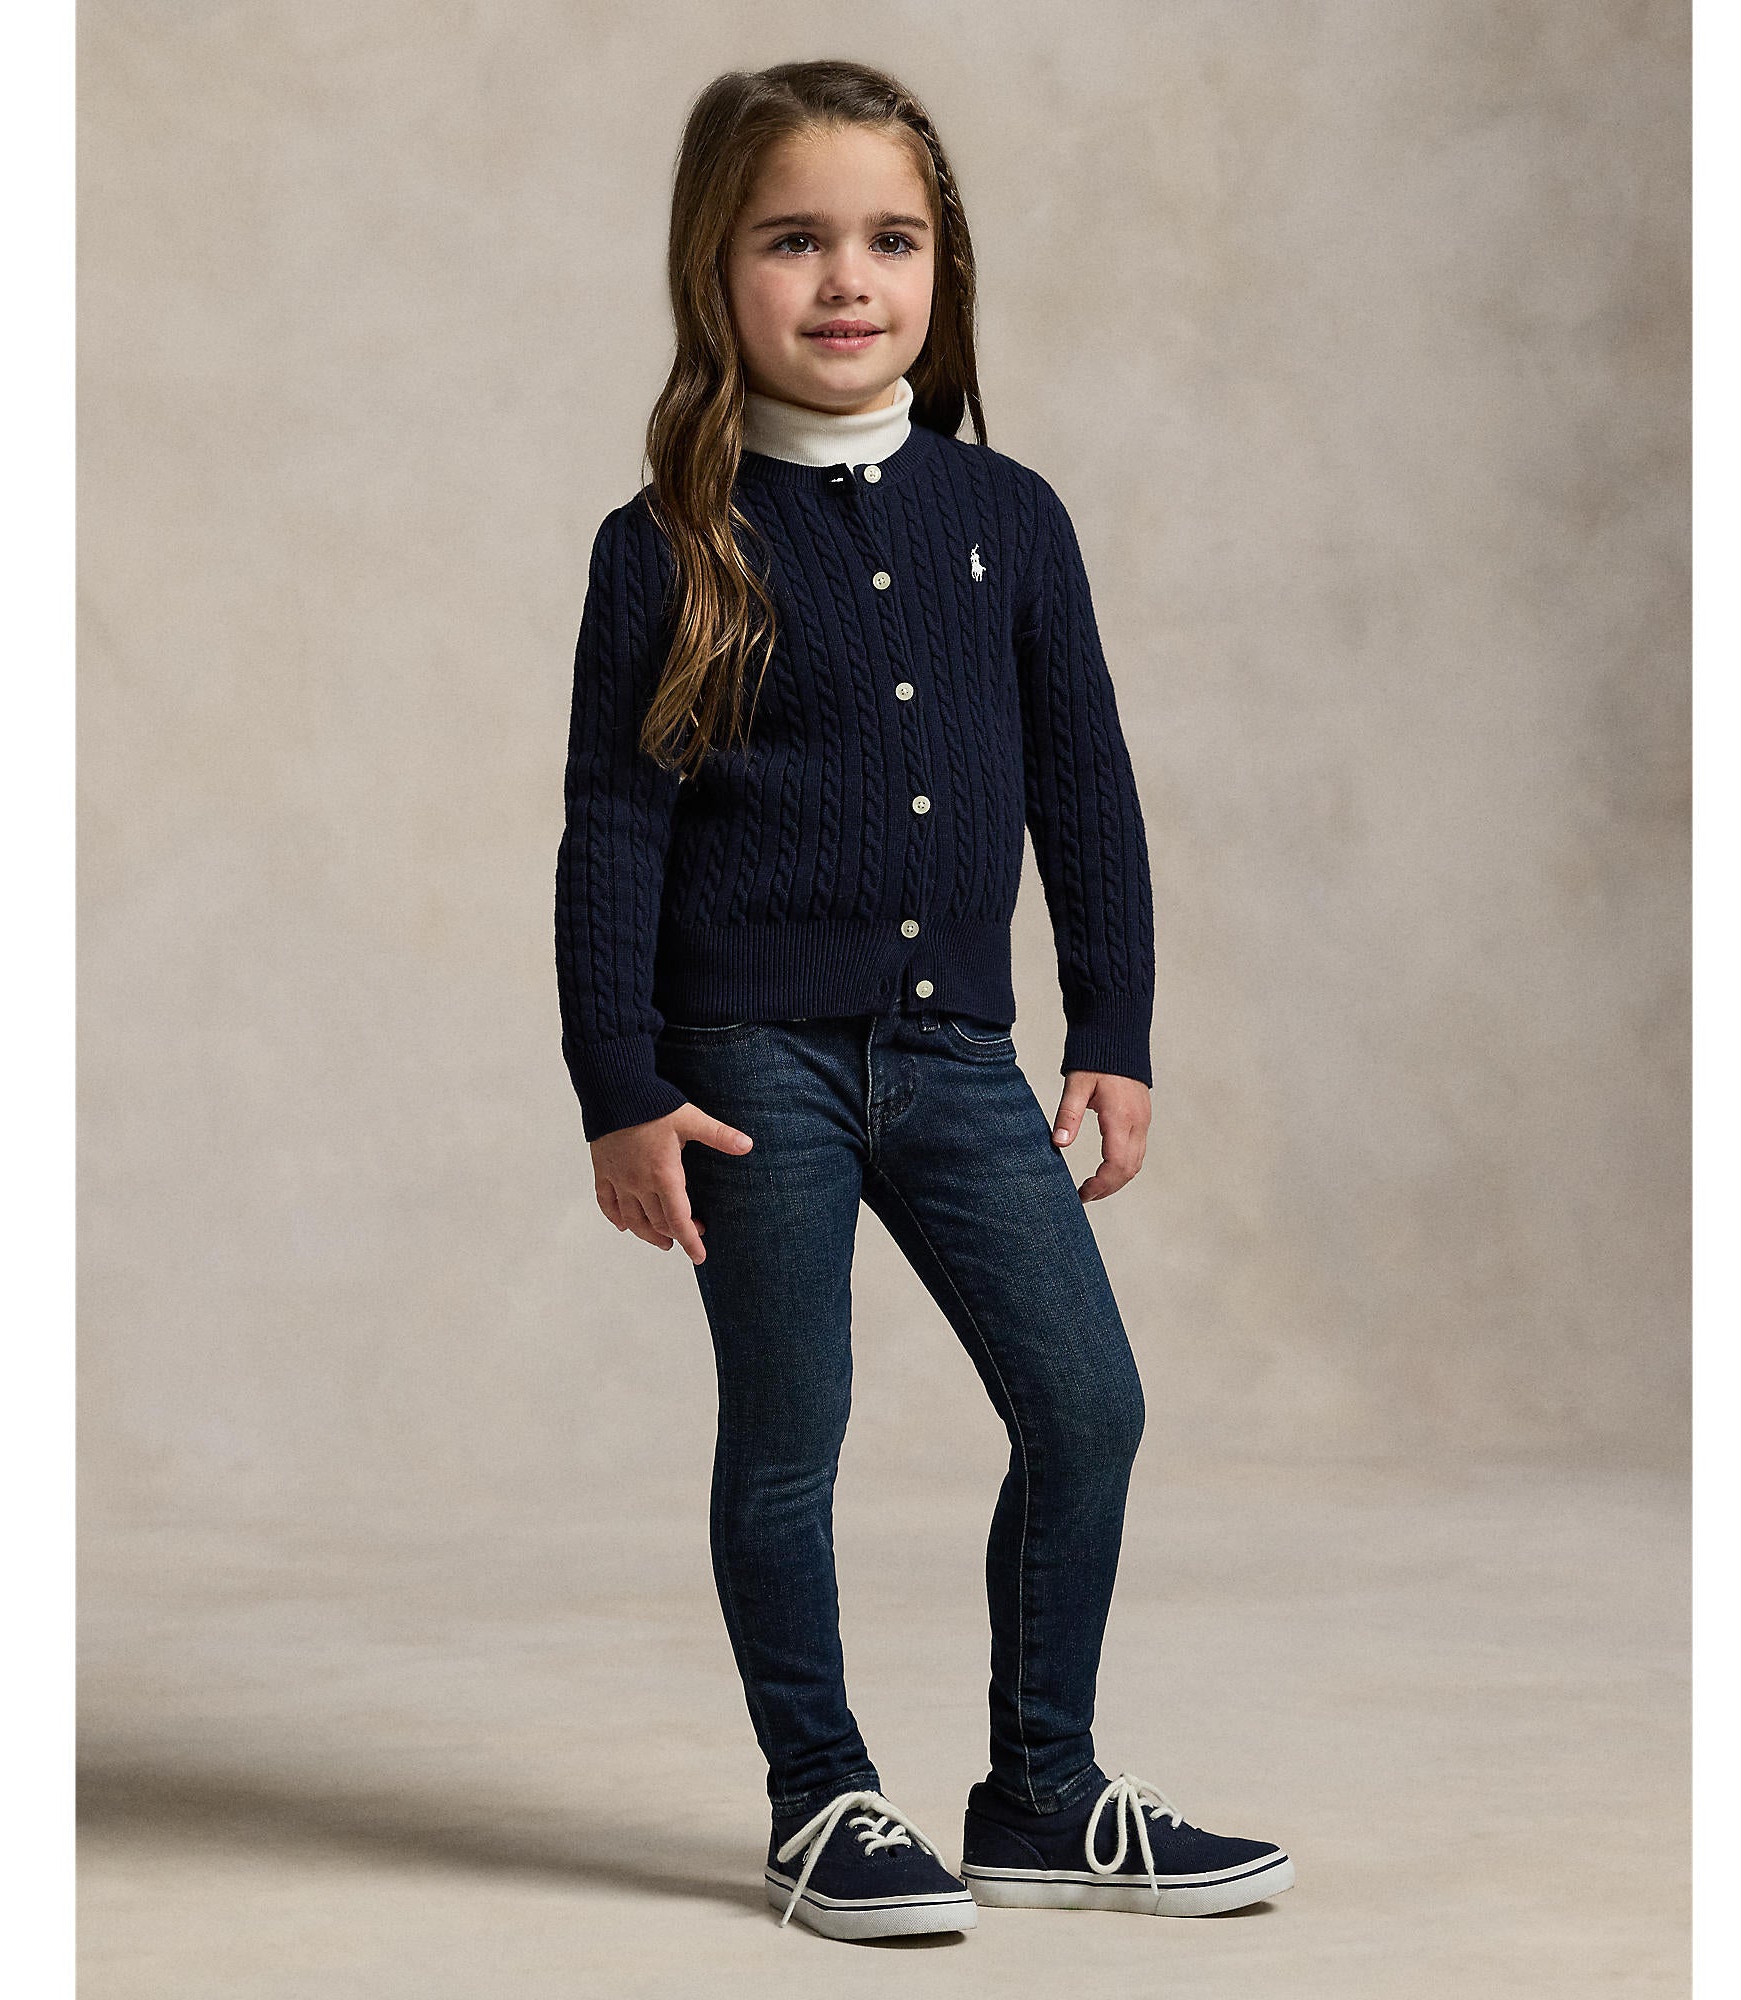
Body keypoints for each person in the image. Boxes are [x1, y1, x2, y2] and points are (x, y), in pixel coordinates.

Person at [553, 58, 1294, 1942]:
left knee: (1088, 1406)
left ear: (942, 269)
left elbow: (1087, 790)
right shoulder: (666, 544)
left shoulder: (1009, 516)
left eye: (890, 240)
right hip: (744, 1068)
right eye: (793, 241)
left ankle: (1041, 1792)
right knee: (788, 1432)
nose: (846, 280)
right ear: (714, 271)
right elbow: (612, 837)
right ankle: (822, 1799)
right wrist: (618, 1085)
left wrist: (1112, 1030)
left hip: (960, 1052)